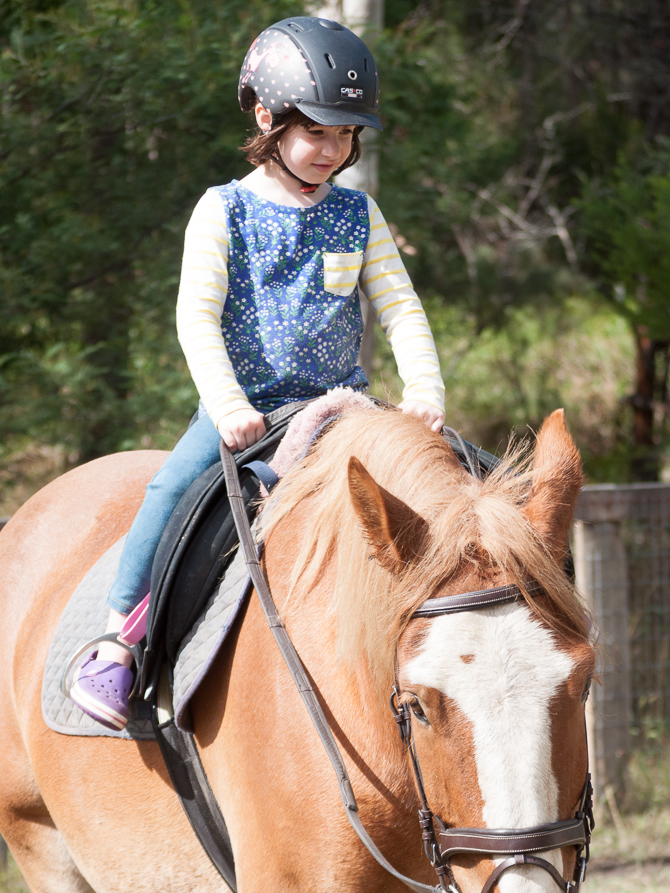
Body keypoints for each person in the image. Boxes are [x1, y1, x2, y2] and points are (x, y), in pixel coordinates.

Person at [71, 16, 446, 731]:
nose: (333, 151)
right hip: (245, 410)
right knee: (170, 490)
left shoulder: (358, 213)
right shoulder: (224, 210)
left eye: (346, 135)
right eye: (318, 132)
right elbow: (196, 318)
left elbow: (400, 308)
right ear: (268, 120)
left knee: (441, 477)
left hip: (339, 404)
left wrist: (424, 391)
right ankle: (118, 643)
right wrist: (227, 404)